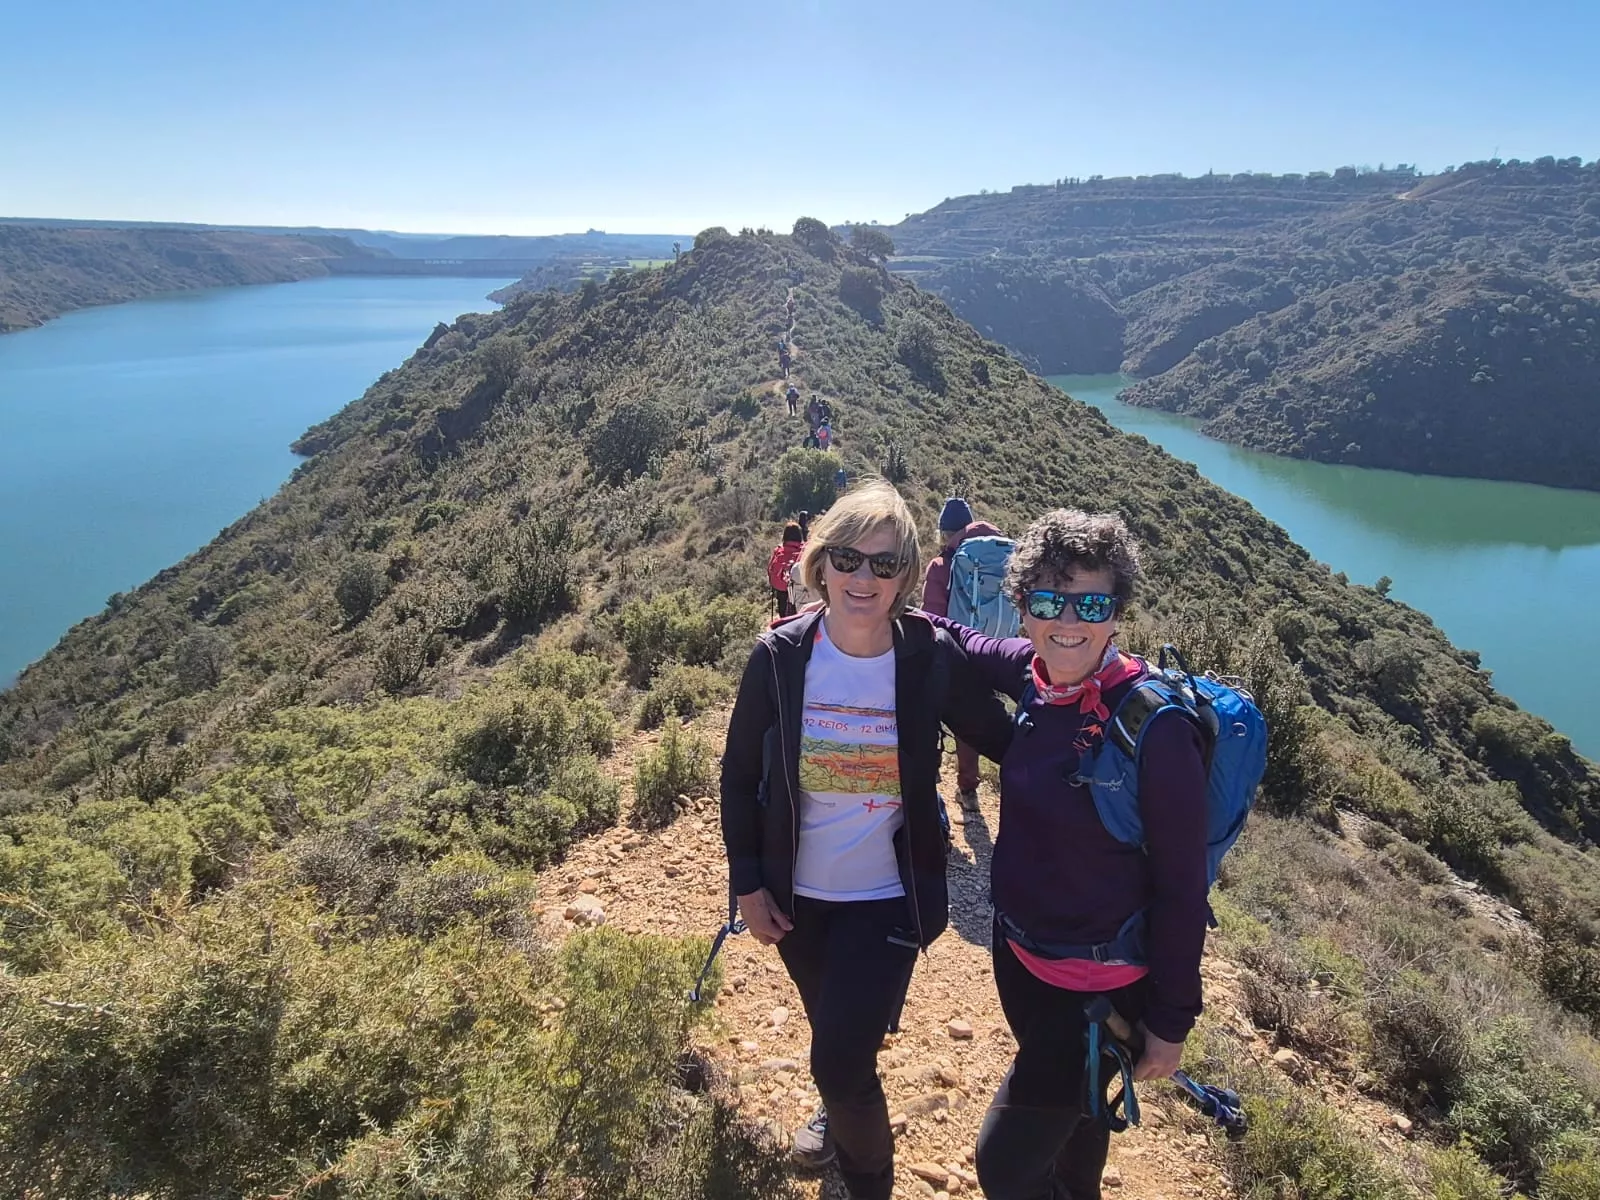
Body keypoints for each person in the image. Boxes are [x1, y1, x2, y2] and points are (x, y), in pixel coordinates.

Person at [721, 481, 1012, 1200]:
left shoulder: (925, 658)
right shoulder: (781, 657)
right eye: (849, 559)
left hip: (889, 897)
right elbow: (736, 777)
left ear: (907, 578)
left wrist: (1111, 735)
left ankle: (866, 1183)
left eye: (885, 566)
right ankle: (841, 1103)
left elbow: (1010, 740)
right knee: (836, 1038)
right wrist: (749, 883)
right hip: (797, 900)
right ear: (821, 563)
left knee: (841, 1060)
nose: (864, 579)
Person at [921, 510, 1208, 1200]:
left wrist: (1169, 1025)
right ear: (1021, 607)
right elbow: (953, 637)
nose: (1068, 620)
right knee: (1080, 1113)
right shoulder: (1033, 672)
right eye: (1048, 600)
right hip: (1021, 956)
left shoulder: (1154, 727)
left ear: (1117, 611)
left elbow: (1181, 889)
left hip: (1095, 989)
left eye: (1091, 602)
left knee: (1003, 1167)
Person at [920, 497, 1003, 812]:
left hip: (958, 652)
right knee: (990, 717)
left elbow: (932, 617)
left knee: (952, 718)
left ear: (946, 532)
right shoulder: (1000, 559)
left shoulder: (943, 566)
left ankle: (963, 789)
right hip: (998, 649)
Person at [768, 521, 806, 617]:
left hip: (782, 589)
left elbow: (770, 570)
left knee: (784, 615)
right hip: (799, 590)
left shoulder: (778, 551)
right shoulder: (804, 551)